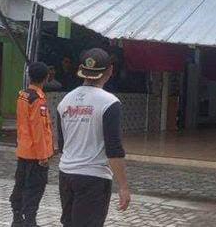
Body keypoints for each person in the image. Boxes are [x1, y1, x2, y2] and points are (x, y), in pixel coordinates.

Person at [56, 48, 131, 227]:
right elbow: (113, 148)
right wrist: (123, 186)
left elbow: (62, 144)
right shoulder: (109, 103)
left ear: (81, 71)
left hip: (66, 175)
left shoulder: (65, 101)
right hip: (93, 177)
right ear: (110, 70)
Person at [10, 62, 54, 227]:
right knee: (35, 188)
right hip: (35, 153)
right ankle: (29, 221)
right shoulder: (38, 99)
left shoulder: (23, 95)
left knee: (20, 185)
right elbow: (39, 129)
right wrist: (44, 156)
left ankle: (17, 218)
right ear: (46, 78)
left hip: (23, 150)